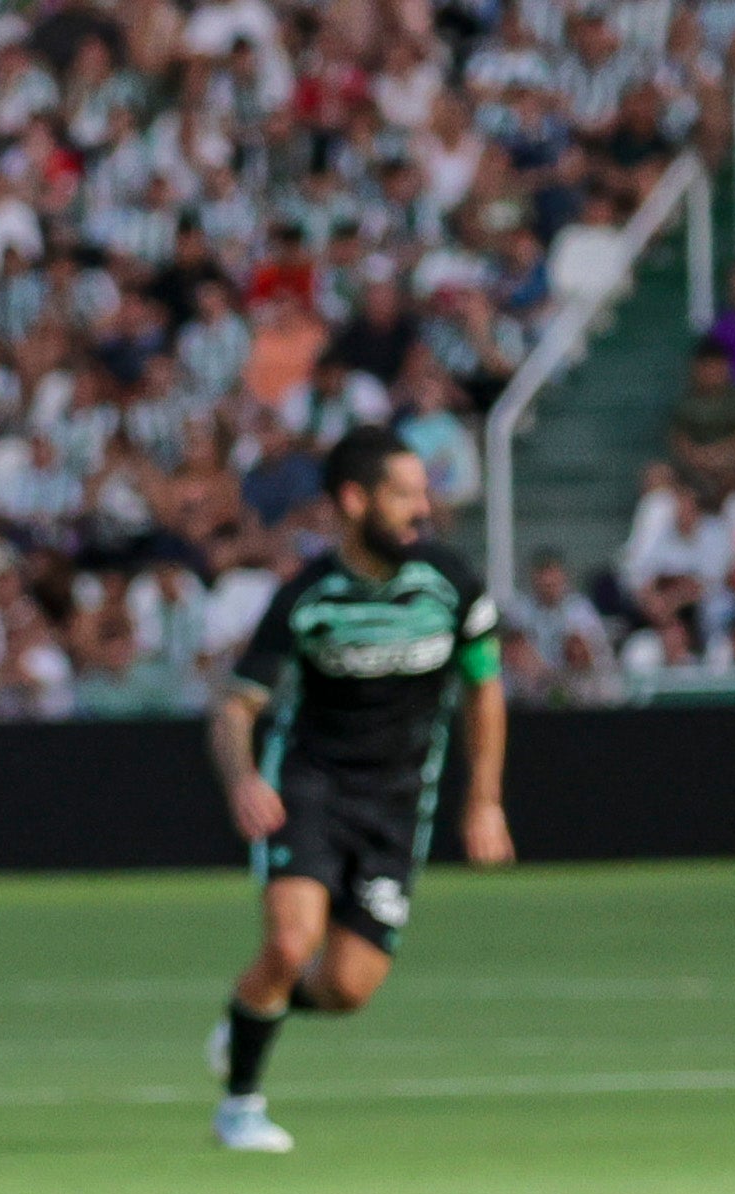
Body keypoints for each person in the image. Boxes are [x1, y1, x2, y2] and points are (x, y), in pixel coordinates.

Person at [204, 425, 515, 1152]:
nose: (422, 509)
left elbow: (485, 689)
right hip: (308, 790)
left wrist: (485, 799)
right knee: (290, 941)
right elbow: (235, 705)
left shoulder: (451, 585)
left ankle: (253, 1011)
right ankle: (240, 1108)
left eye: (423, 492)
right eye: (404, 494)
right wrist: (243, 778)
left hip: (398, 806)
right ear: (354, 500)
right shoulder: (307, 596)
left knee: (347, 989)